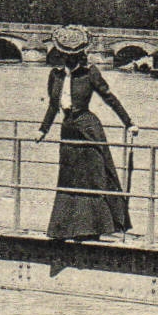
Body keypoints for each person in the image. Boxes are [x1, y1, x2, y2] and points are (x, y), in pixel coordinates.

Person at [35, 25, 139, 241]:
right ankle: (67, 227)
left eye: (73, 55)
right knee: (69, 178)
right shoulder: (54, 76)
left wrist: (128, 123)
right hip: (68, 131)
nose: (69, 59)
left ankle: (95, 227)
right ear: (60, 54)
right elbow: (53, 106)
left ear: (80, 54)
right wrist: (43, 129)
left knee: (94, 176)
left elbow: (109, 98)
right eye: (65, 55)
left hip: (89, 129)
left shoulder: (90, 73)